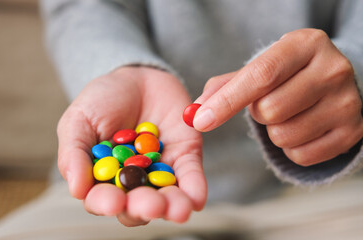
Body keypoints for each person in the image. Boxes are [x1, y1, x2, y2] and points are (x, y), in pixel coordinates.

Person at [42, 0, 363, 227]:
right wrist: (122, 68)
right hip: (104, 207)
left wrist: (356, 71)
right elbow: (83, 7)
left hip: (330, 195)